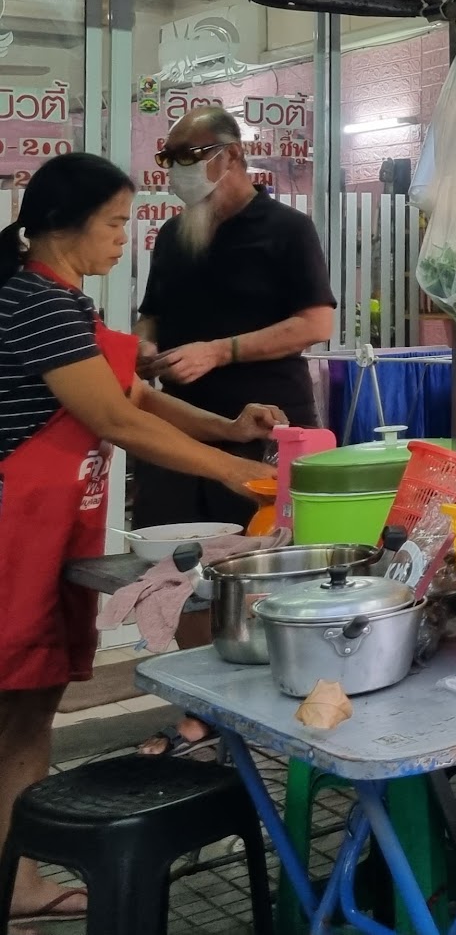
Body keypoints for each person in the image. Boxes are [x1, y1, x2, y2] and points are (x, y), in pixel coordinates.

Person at [0, 153, 279, 927]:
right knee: (12, 708)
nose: (128, 237)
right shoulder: (35, 304)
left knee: (30, 708)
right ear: (62, 224)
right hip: (10, 538)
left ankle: (14, 881)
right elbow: (117, 422)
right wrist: (232, 471)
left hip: (50, 532)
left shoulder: (68, 305)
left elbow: (135, 393)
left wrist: (230, 427)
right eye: (117, 222)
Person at [134, 104, 336, 528]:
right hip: (178, 428)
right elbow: (152, 312)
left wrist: (218, 353)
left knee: (259, 556)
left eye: (189, 155)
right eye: (169, 159)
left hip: (264, 425)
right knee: (167, 556)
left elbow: (315, 324)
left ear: (231, 155)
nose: (177, 169)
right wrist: (144, 344)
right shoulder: (174, 235)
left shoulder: (287, 230)